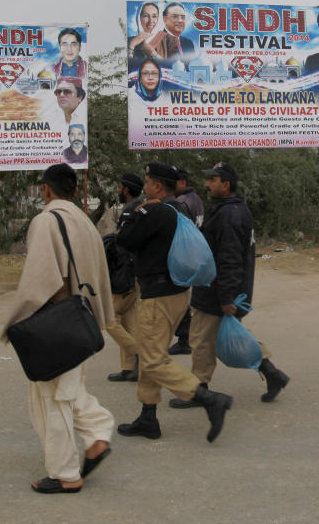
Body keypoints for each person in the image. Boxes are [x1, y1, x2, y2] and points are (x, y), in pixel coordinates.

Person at [3, 165, 115, 493]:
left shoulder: (46, 221)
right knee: (68, 390)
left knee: (52, 398)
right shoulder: (83, 220)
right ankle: (97, 436)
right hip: (81, 321)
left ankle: (66, 474)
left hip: (56, 324)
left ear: (46, 190)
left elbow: (41, 280)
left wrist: (20, 322)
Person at [115, 163, 234, 443]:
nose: (143, 188)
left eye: (146, 183)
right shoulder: (178, 210)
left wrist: (133, 216)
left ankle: (208, 398)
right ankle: (148, 417)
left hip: (158, 296)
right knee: (150, 355)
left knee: (153, 360)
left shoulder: (153, 211)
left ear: (157, 186)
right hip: (177, 293)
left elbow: (126, 241)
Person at [169, 162, 290, 408]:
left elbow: (231, 259)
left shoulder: (229, 215)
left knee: (201, 338)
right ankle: (273, 374)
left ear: (226, 184)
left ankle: (197, 390)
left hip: (218, 290)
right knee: (232, 335)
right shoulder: (226, 209)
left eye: (212, 180)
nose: (206, 184)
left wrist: (226, 298)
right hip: (218, 288)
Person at [105, 173, 144, 382]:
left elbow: (125, 246)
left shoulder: (132, 211)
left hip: (126, 272)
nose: (118, 191)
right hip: (133, 272)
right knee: (130, 320)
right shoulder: (136, 207)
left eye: (119, 188)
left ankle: (138, 353)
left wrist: (120, 277)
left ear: (126, 190)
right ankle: (129, 368)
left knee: (108, 319)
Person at [167, 166, 207, 355]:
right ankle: (187, 336)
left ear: (182, 183)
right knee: (186, 297)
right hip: (195, 253)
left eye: (173, 182)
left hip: (184, 254)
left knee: (181, 298)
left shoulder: (181, 202)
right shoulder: (196, 199)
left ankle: (184, 339)